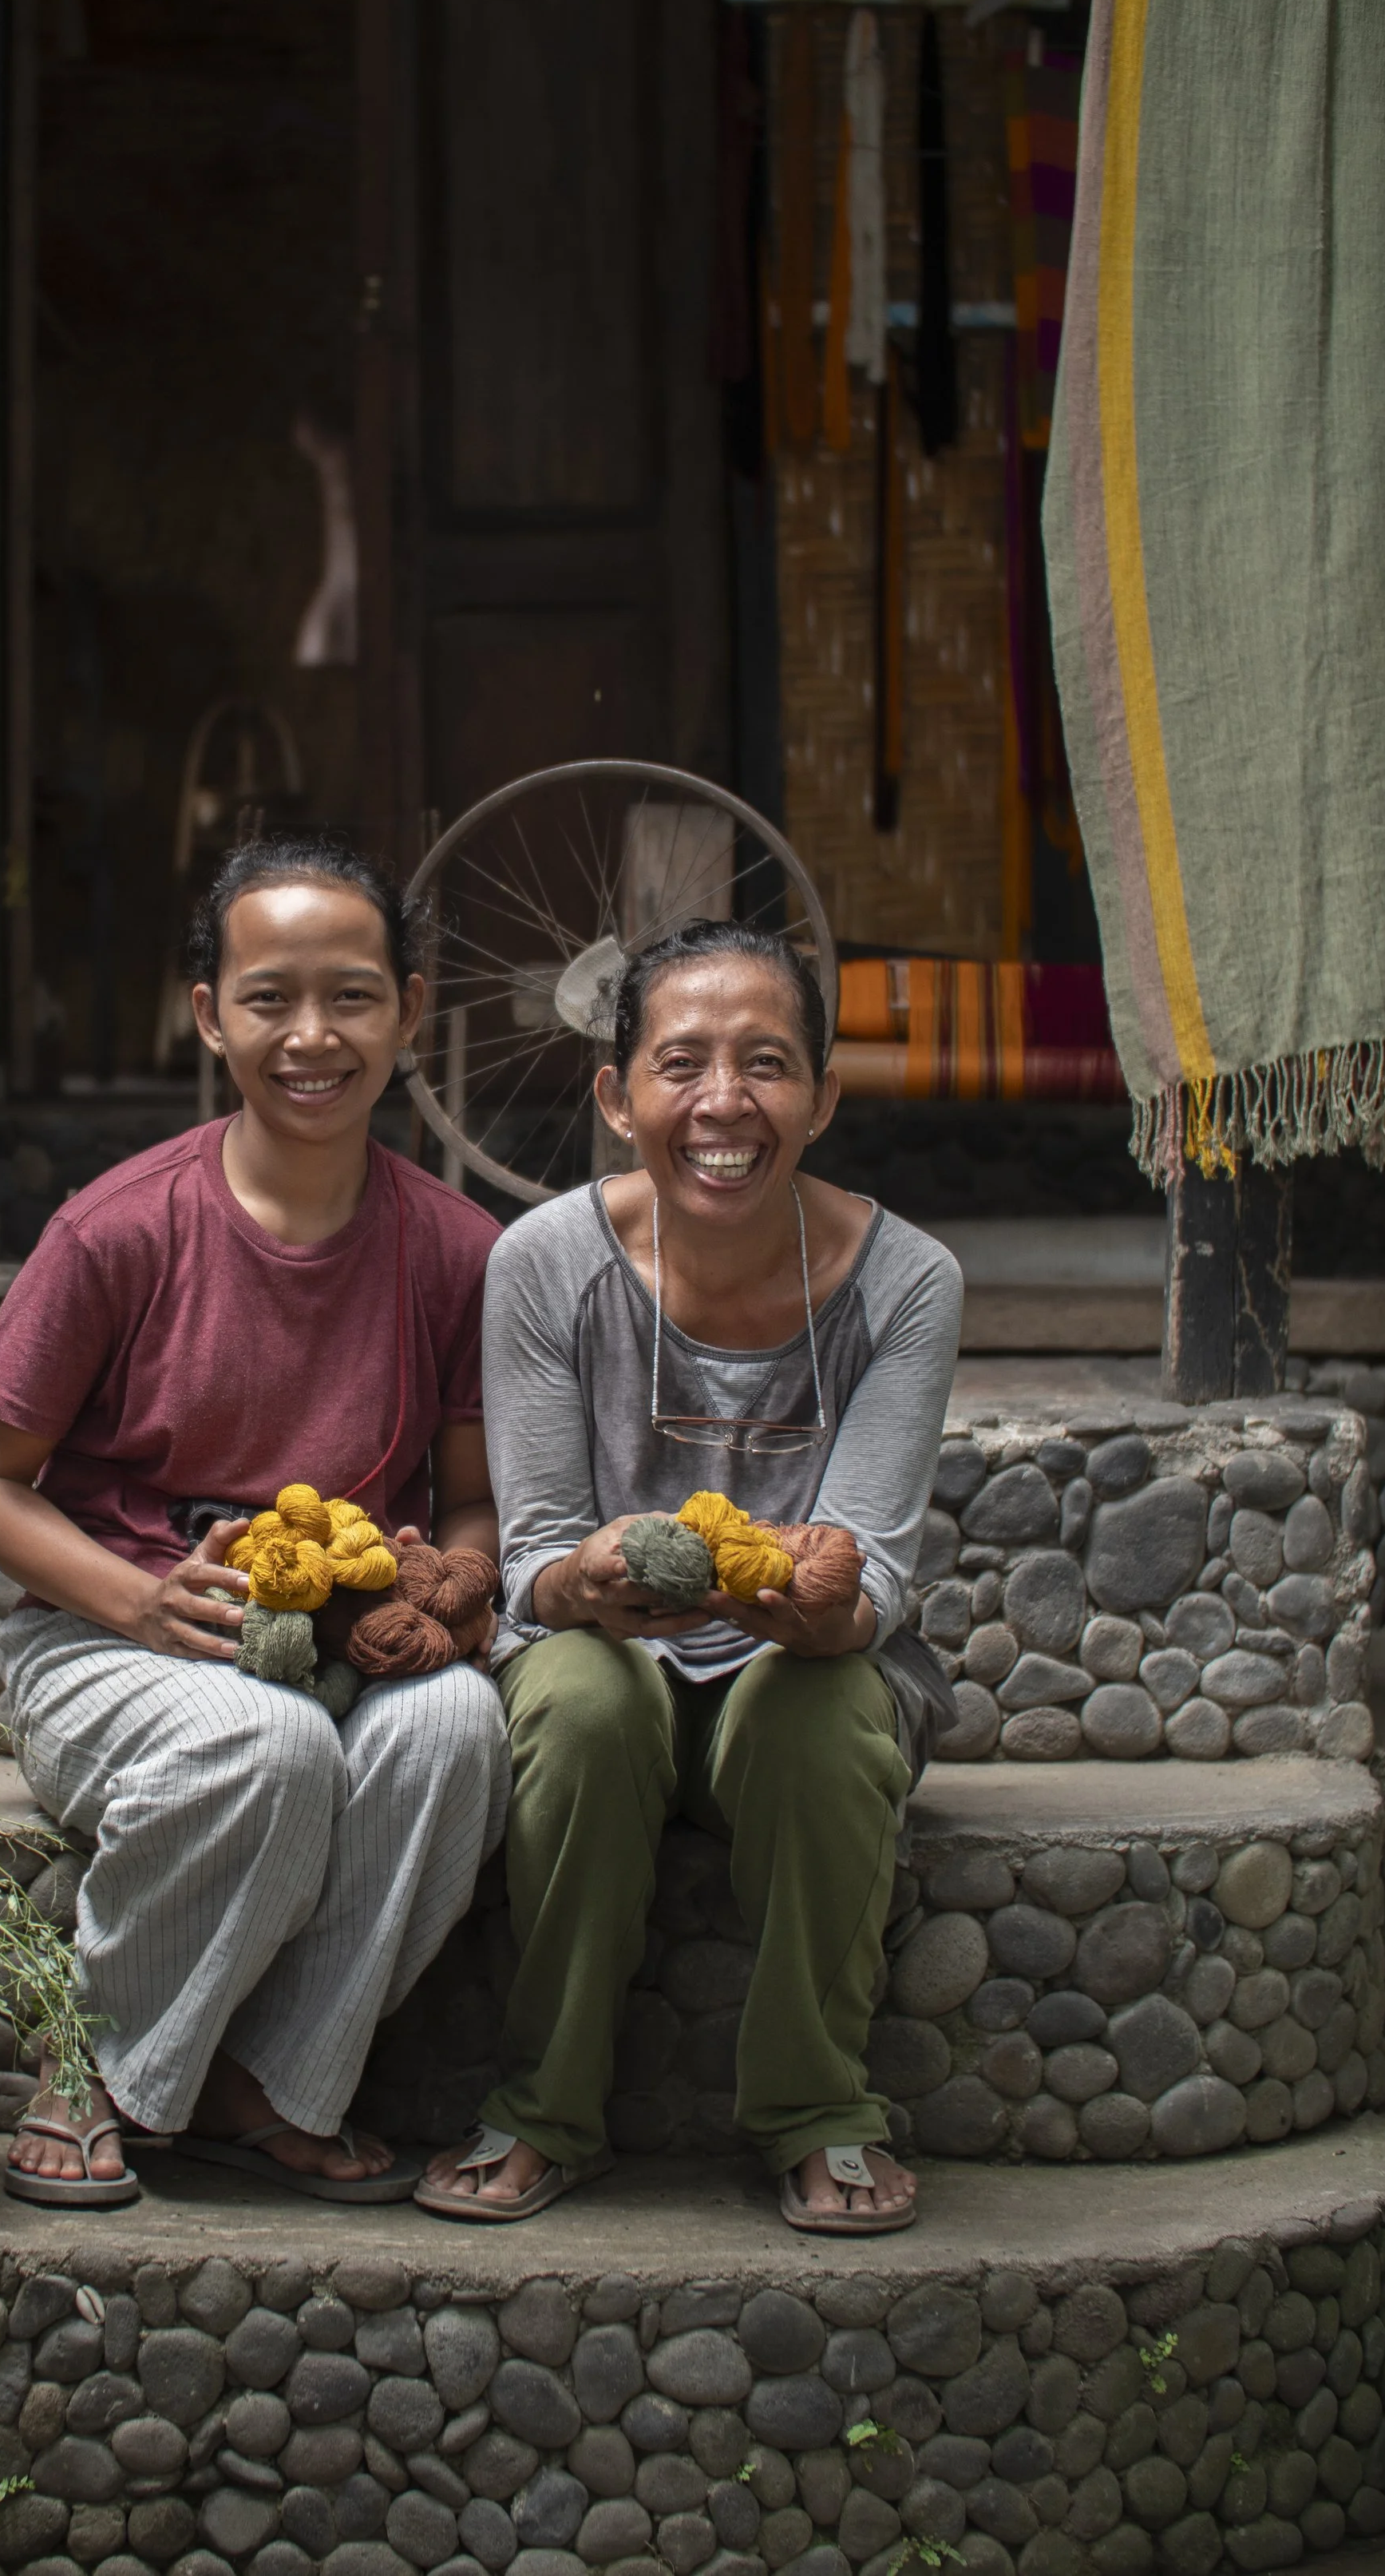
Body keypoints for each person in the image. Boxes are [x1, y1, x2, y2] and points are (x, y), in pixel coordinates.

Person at [0, 833, 509, 2207]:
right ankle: (98, 2062)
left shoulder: (457, 1251)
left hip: (350, 1645)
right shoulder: (121, 1232)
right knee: (269, 1739)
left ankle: (271, 2081)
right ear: (210, 1015)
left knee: (456, 1730)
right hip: (111, 1648)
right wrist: (138, 1603)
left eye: (352, 997)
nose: (312, 1036)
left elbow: (473, 1498)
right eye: (269, 999)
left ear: (410, 1012)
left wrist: (451, 1582)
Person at [415, 918, 962, 2232]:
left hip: (805, 1674)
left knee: (817, 1716)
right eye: (683, 1064)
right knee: (582, 1702)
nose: (725, 1102)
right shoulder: (545, 1263)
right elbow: (533, 1557)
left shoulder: (908, 1281)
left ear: (823, 1099)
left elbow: (872, 1569)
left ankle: (818, 2107)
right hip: (611, 1657)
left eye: (767, 1063)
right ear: (618, 1098)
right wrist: (583, 1582)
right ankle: (546, 2107)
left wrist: (819, 1607)